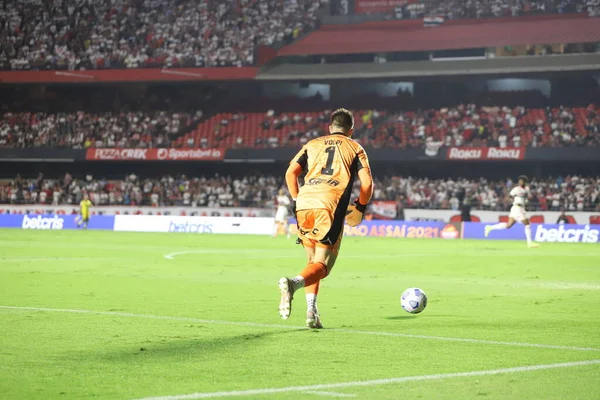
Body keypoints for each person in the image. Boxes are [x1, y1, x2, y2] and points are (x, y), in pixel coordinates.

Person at [278, 108, 374, 329]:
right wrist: (360, 207)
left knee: (311, 262)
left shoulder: (312, 144)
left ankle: (312, 312)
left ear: (330, 128)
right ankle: (293, 284)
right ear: (351, 130)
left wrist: (296, 199)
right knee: (323, 265)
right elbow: (367, 183)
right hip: (330, 204)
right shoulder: (355, 147)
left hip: (304, 202)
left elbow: (291, 173)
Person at [485, 175, 539, 248]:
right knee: (527, 224)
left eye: (521, 181)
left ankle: (490, 227)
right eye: (519, 181)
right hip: (517, 207)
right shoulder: (516, 189)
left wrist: (526, 200)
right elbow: (508, 197)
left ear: (525, 182)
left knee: (508, 226)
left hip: (521, 208)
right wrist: (513, 201)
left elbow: (528, 197)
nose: (520, 182)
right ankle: (529, 243)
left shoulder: (527, 189)